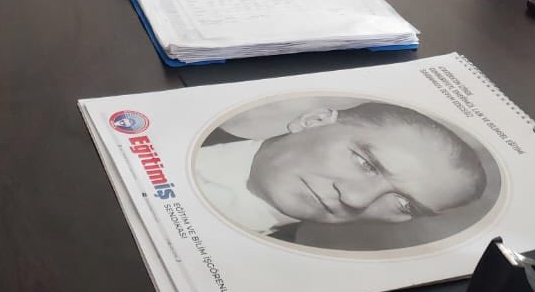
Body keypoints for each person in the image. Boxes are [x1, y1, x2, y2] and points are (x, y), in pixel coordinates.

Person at [193, 101, 487, 244]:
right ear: (314, 121)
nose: (356, 199)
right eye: (366, 163)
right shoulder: (188, 117)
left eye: (404, 204)